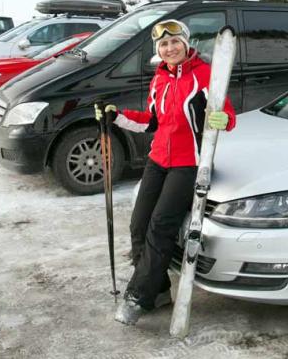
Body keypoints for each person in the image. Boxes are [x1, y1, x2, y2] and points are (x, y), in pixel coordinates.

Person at [96, 19, 236, 326]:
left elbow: (228, 116)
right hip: (158, 159)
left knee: (160, 226)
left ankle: (138, 296)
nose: (169, 48)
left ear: (186, 44)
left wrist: (221, 119)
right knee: (138, 224)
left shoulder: (204, 74)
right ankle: (158, 290)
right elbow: (152, 122)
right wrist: (116, 116)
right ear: (158, 50)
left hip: (188, 163)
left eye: (175, 42)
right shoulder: (160, 78)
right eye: (163, 44)